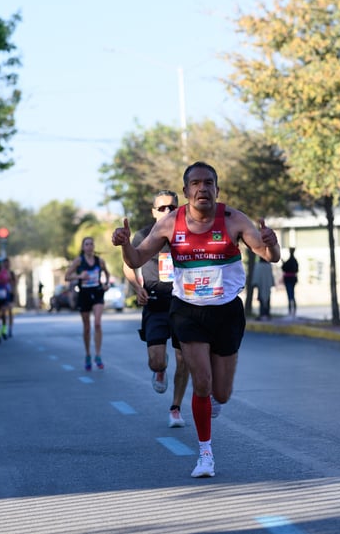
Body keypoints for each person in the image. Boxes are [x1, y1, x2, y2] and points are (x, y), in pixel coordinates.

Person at [112, 161, 281, 478]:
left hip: (226, 311)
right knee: (201, 383)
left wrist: (274, 244)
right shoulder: (169, 224)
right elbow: (135, 259)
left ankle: (214, 401)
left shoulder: (233, 219)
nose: (202, 188)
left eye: (209, 183)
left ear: (216, 189)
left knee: (222, 393)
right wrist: (124, 245)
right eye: (196, 183)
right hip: (187, 310)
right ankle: (205, 454)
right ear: (187, 190)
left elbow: (270, 256)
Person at [123, 190, 189, 428]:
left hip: (184, 304)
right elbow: (128, 264)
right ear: (153, 212)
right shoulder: (143, 235)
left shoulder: (188, 233)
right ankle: (159, 370)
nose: (167, 212)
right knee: (156, 361)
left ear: (179, 208)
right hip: (155, 303)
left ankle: (176, 408)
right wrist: (136, 286)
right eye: (161, 208)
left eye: (171, 207)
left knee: (185, 359)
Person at [65, 237, 111, 371]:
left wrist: (106, 285)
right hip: (84, 294)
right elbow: (67, 276)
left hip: (97, 293)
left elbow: (107, 273)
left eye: (91, 244)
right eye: (87, 244)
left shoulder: (99, 261)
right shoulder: (79, 261)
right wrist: (79, 277)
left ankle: (98, 355)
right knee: (86, 327)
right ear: (83, 247)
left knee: (97, 323)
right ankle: (87, 354)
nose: (89, 246)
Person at [281, 247, 299, 318]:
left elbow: (284, 268)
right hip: (292, 279)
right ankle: (293, 310)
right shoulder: (294, 261)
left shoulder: (289, 261)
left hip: (288, 279)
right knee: (292, 294)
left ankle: (291, 310)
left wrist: (283, 263)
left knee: (290, 295)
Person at [4, 257, 17, 337]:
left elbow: (15, 283)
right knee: (3, 312)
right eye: (5, 263)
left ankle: (10, 329)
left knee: (10, 312)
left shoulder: (12, 273)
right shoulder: (1, 272)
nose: (7, 265)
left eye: (8, 263)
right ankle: (4, 328)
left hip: (10, 294)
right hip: (2, 295)